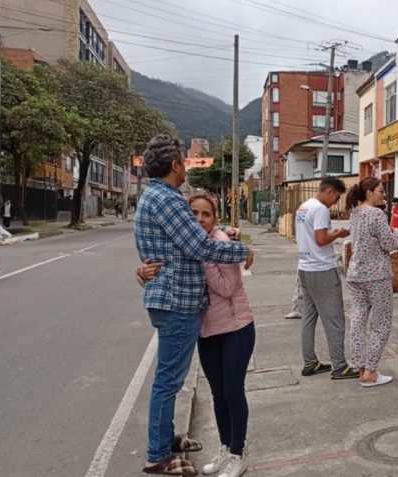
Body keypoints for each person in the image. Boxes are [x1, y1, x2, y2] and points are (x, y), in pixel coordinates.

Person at [135, 135, 254, 477]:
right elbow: (198, 246)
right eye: (183, 162)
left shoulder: (153, 196)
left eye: (206, 214)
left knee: (196, 384)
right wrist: (242, 251)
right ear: (175, 164)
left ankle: (169, 440)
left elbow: (171, 250)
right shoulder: (167, 199)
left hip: (210, 316)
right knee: (169, 381)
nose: (199, 218)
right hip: (178, 302)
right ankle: (157, 455)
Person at [296, 177, 359, 380]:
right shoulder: (320, 209)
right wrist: (339, 233)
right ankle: (339, 366)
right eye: (337, 197)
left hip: (304, 268)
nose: (336, 202)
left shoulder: (303, 207)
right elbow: (321, 239)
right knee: (335, 320)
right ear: (330, 191)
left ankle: (310, 363)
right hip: (321, 269)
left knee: (308, 317)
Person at [346, 177, 398, 386]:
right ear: (369, 192)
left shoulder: (355, 213)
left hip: (356, 273)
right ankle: (370, 372)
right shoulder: (376, 214)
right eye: (380, 191)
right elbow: (389, 243)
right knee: (381, 324)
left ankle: (360, 367)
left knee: (358, 322)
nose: (383, 194)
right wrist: (397, 234)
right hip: (377, 275)